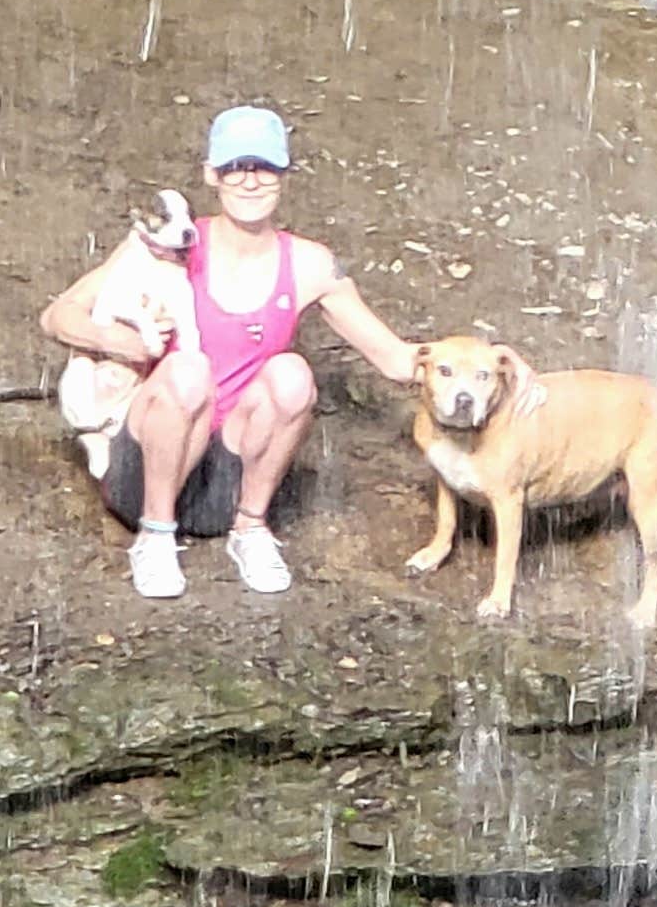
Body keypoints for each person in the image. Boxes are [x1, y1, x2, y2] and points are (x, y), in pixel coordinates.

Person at [38, 104, 420, 601]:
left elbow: (396, 358)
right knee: (190, 369)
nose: (250, 180)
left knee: (292, 374)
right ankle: (154, 537)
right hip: (142, 477)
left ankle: (250, 529)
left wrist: (494, 365)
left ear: (283, 175)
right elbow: (57, 316)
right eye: (236, 167)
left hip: (226, 483)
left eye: (263, 166)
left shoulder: (309, 264)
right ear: (211, 174)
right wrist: (124, 342)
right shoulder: (170, 242)